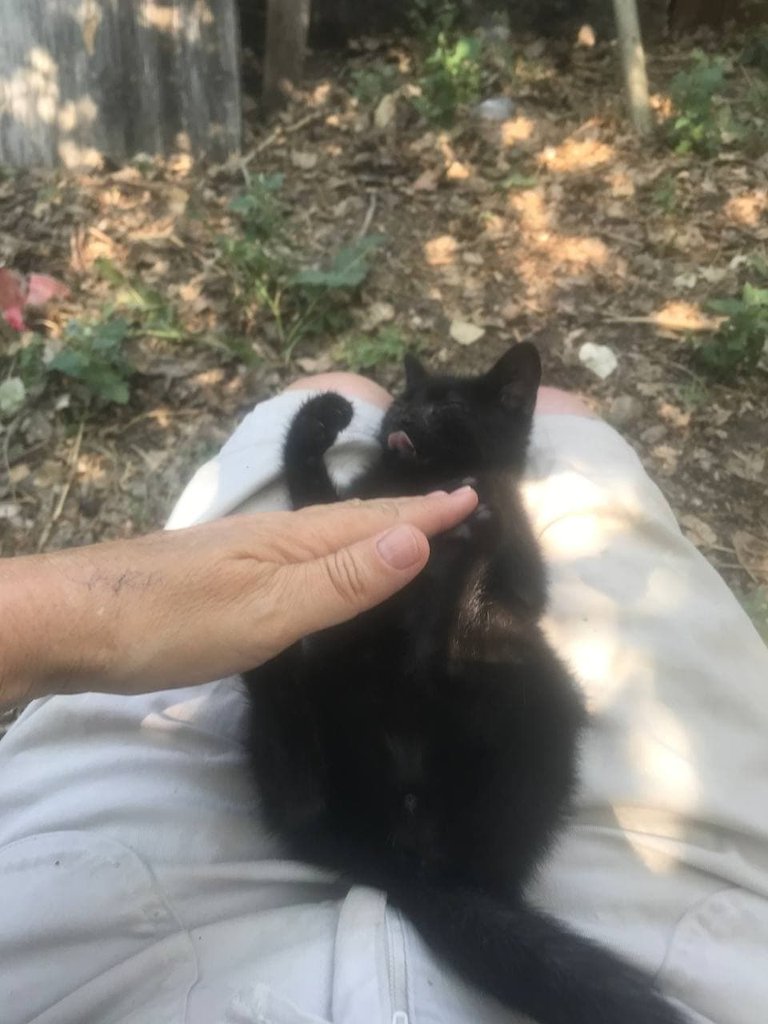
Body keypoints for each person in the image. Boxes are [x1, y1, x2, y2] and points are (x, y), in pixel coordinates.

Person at [0, 371, 766, 1024]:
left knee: (506, 674)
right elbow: (340, 553)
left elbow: (488, 589)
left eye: (435, 412)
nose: (407, 421)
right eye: (408, 407)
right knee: (486, 632)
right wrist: (311, 468)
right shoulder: (479, 499)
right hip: (353, 803)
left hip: (408, 819)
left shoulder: (481, 498)